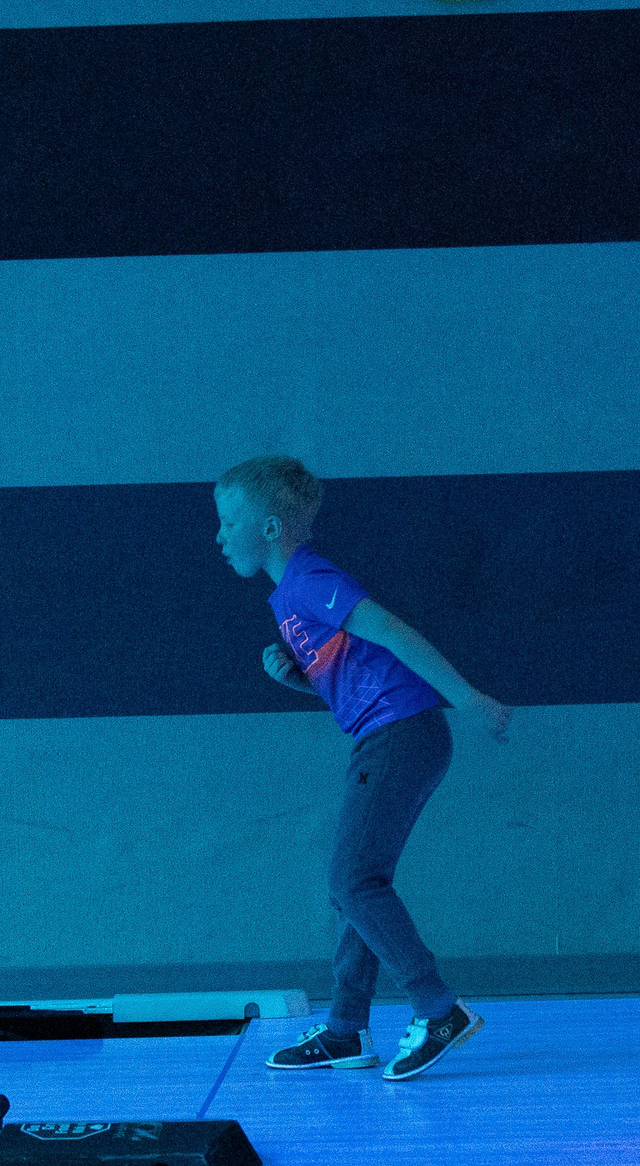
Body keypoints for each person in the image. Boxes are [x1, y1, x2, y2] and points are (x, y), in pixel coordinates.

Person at [213, 455, 511, 1081]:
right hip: (388, 733)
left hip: (401, 733)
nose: (219, 536)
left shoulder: (307, 578)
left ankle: (438, 1009)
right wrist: (299, 678)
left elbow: (392, 632)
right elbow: (349, 680)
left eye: (227, 521)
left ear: (268, 528)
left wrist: (468, 695)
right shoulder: (288, 599)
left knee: (354, 881)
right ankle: (347, 1029)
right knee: (354, 883)